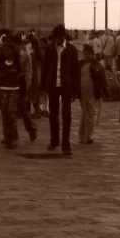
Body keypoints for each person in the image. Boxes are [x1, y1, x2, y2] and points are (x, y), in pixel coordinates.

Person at [39, 24, 79, 155]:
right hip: (52, 84)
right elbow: (45, 69)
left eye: (61, 37)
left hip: (66, 85)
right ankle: (54, 141)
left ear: (64, 37)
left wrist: (76, 91)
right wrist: (42, 87)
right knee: (53, 115)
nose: (59, 40)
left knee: (67, 116)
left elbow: (76, 71)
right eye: (57, 37)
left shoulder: (72, 50)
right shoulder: (50, 49)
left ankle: (66, 144)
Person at [78, 43, 105, 145]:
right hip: (82, 92)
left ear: (92, 54)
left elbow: (103, 80)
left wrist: (104, 91)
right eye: (85, 54)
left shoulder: (97, 65)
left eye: (88, 54)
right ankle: (83, 136)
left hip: (93, 92)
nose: (86, 56)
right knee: (85, 114)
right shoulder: (80, 64)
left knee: (91, 114)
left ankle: (88, 136)